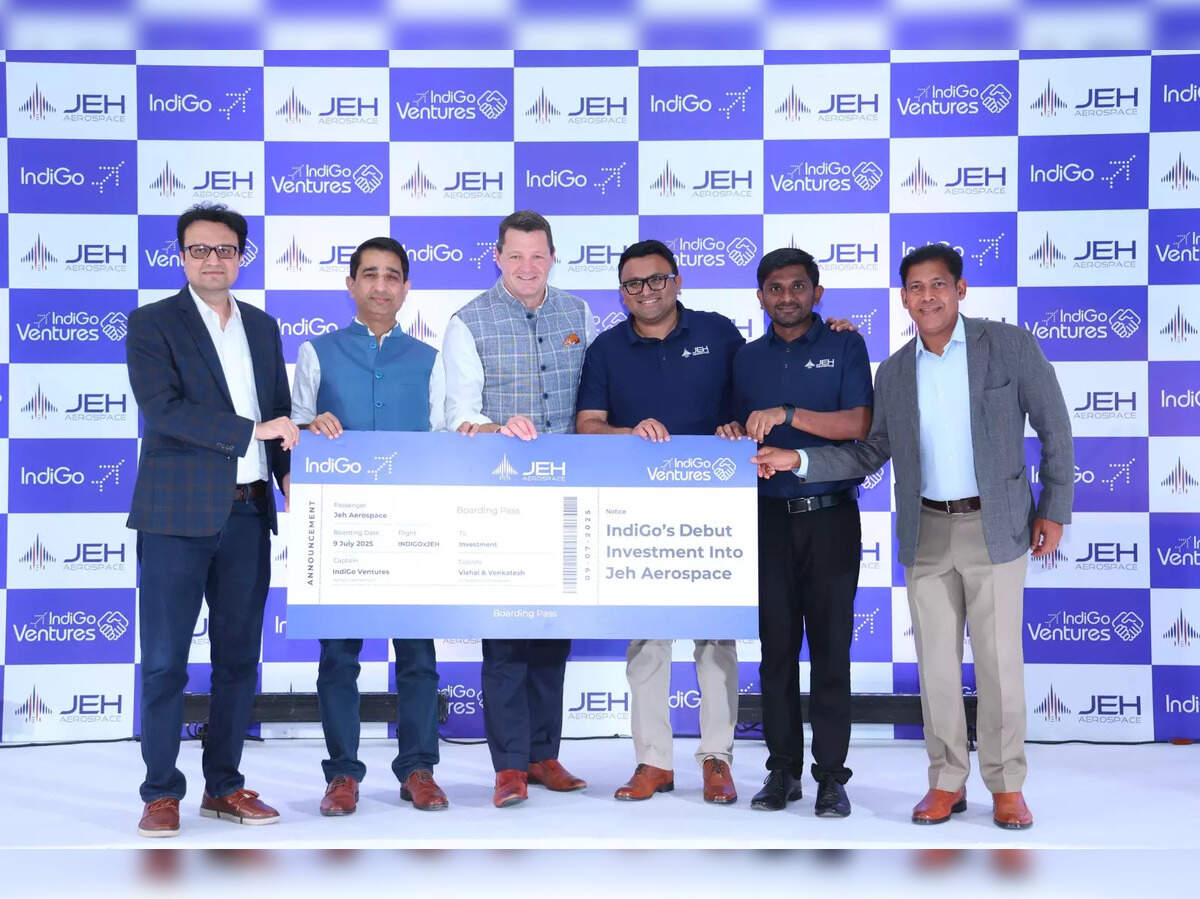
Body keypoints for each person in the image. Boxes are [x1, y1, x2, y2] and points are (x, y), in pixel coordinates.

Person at [752, 244, 1073, 830]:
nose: (928, 297)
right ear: (903, 299)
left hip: (996, 528)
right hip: (926, 532)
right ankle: (946, 781)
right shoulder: (895, 371)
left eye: (938, 285)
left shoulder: (1008, 345)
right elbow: (870, 452)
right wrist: (798, 459)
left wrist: (1053, 507)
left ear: (960, 290)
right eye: (916, 288)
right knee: (937, 670)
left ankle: (1006, 785)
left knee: (1000, 666)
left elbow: (1056, 428)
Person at [126, 203, 298, 837]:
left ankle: (223, 786)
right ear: (181, 256)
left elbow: (279, 411)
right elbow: (164, 410)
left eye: (224, 249)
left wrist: (289, 478)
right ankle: (160, 792)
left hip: (249, 513)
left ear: (240, 256)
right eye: (199, 249)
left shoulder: (263, 327)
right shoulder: (151, 323)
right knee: (165, 661)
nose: (212, 259)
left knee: (238, 660)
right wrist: (252, 431)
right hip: (175, 515)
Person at [576, 239, 746, 804]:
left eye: (656, 280)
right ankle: (653, 761)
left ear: (677, 281)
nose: (646, 291)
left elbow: (756, 396)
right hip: (639, 511)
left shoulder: (719, 333)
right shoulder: (606, 348)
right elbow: (588, 426)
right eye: (633, 284)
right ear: (621, 293)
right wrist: (629, 433)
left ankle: (717, 758)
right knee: (647, 639)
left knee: (716, 636)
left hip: (715, 505)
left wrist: (736, 425)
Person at [442, 210, 595, 808]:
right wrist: (494, 427)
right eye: (515, 256)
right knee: (505, 637)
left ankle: (542, 754)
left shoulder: (579, 314)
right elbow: (457, 414)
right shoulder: (467, 321)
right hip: (500, 499)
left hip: (569, 497)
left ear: (552, 257)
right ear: (497, 257)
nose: (527, 267)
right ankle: (508, 765)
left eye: (537, 256)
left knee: (553, 635)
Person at [291, 237, 449, 815]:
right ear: (351, 284)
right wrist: (310, 427)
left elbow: (446, 438)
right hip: (342, 530)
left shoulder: (432, 360)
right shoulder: (317, 352)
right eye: (370, 274)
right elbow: (293, 434)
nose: (381, 286)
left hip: (414, 526)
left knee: (418, 656)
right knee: (338, 657)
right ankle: (342, 775)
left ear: (406, 287)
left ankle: (419, 769)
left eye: (392, 276)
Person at [716, 247, 873, 817]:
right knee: (776, 653)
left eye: (798, 286)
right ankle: (782, 770)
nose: (787, 297)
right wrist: (732, 431)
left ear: (817, 292)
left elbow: (859, 424)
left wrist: (788, 413)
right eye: (776, 288)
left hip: (830, 516)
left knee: (831, 651)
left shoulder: (846, 345)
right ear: (760, 296)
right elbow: (732, 426)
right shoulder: (745, 357)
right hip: (765, 520)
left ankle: (831, 776)